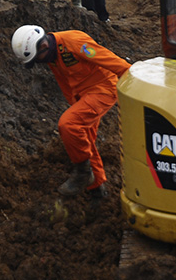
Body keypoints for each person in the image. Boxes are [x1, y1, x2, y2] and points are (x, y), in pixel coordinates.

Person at [11, 25, 131, 197]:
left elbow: (112, 61)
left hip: (103, 89)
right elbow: (66, 83)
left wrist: (136, 83)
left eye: (37, 58)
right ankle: (96, 188)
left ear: (43, 46)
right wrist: (76, 105)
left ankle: (83, 173)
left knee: (68, 124)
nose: (39, 63)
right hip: (84, 96)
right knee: (84, 139)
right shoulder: (51, 55)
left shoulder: (74, 42)